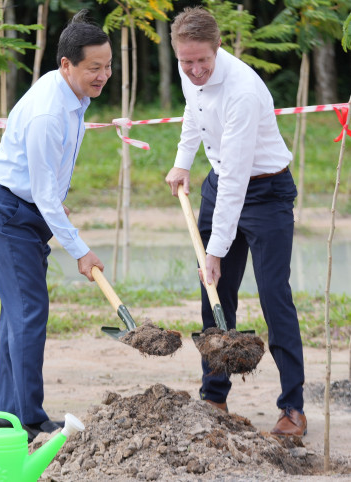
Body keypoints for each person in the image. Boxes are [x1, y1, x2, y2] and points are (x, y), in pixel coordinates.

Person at [165, 7, 307, 437]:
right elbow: (194, 113)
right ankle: (214, 397)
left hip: (263, 192)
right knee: (215, 296)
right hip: (220, 183)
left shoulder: (243, 91)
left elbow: (236, 181)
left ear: (219, 47)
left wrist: (214, 250)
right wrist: (182, 163)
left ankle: (293, 408)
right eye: (185, 61)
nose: (193, 70)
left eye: (201, 61)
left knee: (273, 296)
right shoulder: (191, 72)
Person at [0, 11, 111, 442]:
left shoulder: (72, 95)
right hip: (7, 213)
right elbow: (44, 192)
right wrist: (81, 251)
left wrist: (53, 206)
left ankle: (8, 419)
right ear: (67, 64)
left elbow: (47, 186)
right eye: (94, 68)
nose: (103, 75)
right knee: (29, 313)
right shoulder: (48, 112)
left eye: (108, 66)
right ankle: (30, 421)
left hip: (27, 206)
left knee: (17, 317)